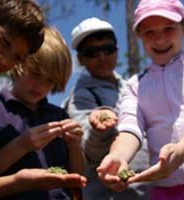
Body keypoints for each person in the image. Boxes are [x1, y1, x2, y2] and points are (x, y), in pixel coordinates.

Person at [96, 0, 184, 199]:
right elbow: (129, 128)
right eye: (149, 32)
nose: (159, 39)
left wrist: (182, 150)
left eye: (169, 28)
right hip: (166, 190)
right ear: (139, 35)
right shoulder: (134, 85)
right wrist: (117, 156)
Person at [0, 1, 84, 199]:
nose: (5, 60)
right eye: (5, 42)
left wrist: (75, 145)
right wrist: (22, 145)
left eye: (16, 57)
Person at [64, 17, 150, 200]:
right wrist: (99, 130)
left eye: (108, 49)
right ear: (80, 58)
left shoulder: (131, 87)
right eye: (92, 52)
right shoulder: (81, 97)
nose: (102, 57)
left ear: (117, 51)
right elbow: (88, 152)